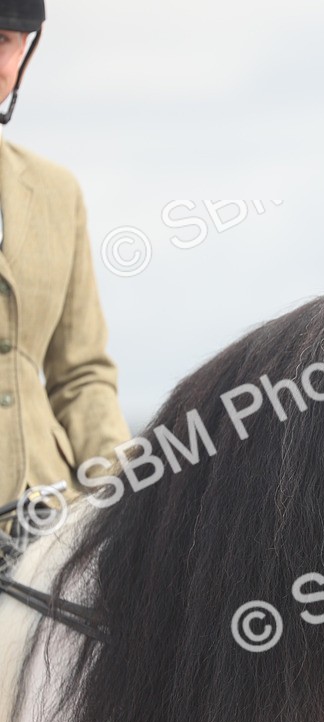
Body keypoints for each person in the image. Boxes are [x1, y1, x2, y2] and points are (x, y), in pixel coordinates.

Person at [0, 1, 130, 515]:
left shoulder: (57, 193)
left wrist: (131, 495)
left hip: (48, 515)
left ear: (23, 54)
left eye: (4, 42)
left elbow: (80, 375)